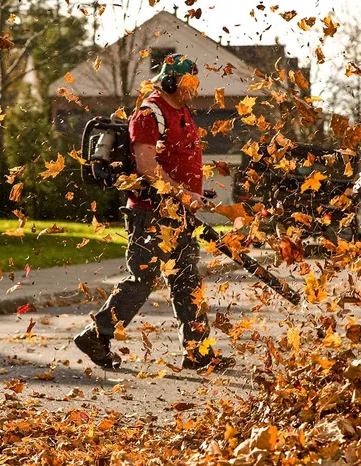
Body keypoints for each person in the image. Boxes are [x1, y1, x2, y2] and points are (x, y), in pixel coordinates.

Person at [74, 53, 233, 372]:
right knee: (142, 279)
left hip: (180, 215)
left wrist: (196, 193)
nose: (193, 88)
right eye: (187, 82)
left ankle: (197, 351)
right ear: (172, 81)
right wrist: (182, 192)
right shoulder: (149, 114)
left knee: (188, 279)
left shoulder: (182, 111)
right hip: (151, 213)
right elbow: (147, 167)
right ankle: (97, 335)